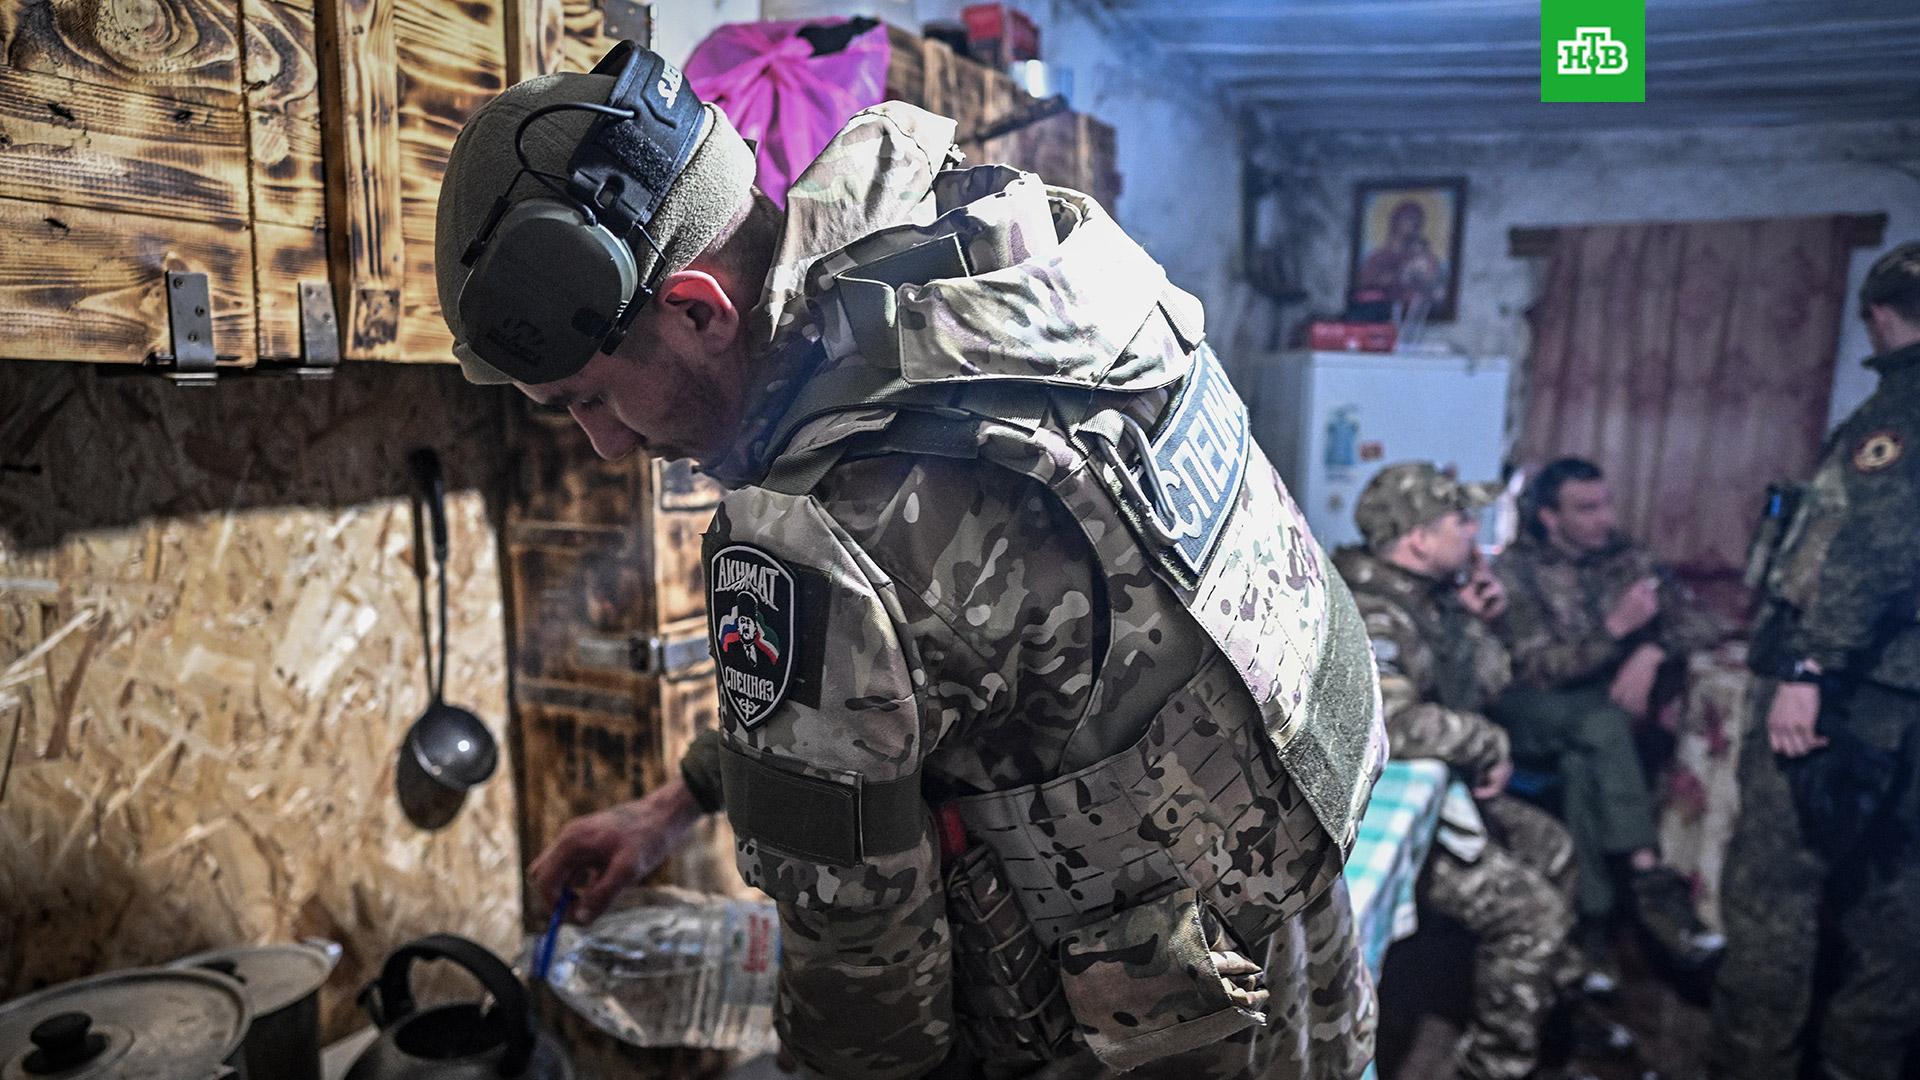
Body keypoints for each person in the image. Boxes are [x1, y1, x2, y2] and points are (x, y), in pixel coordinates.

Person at [432, 44, 1388, 1080]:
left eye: (588, 397)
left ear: (699, 310)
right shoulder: (1006, 257)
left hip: (1156, 1027)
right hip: (1301, 895)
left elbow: (863, 975)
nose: (604, 444)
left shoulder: (813, 527)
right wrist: (680, 802)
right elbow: (950, 657)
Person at [1709, 240, 1920, 1080]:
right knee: (1895, 903)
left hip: (1856, 694)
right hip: (1902, 696)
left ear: (1878, 315)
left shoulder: (1897, 416)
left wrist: (1810, 670)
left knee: (1774, 893)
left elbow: (1876, 547)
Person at [1335, 462, 1582, 1080]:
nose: (1473, 532)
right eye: (1460, 521)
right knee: (1535, 916)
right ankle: (1496, 1065)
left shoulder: (1427, 598)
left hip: (1444, 797)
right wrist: (1485, 741)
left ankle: (1538, 1003)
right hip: (1372, 821)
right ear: (1419, 539)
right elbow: (1390, 721)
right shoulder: (1373, 610)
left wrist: (1478, 620)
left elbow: (1493, 681)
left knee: (1552, 846)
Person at [1491, 457, 1727, 973]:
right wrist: (1617, 630)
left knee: (1584, 764)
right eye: (1586, 508)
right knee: (1602, 725)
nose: (1605, 518)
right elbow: (1537, 669)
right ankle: (1649, 878)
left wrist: (1653, 651)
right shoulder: (1514, 570)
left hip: (1599, 722)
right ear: (1550, 517)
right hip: (1532, 709)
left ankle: (1591, 932)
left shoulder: (1625, 558)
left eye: (1606, 504)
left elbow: (1706, 621)